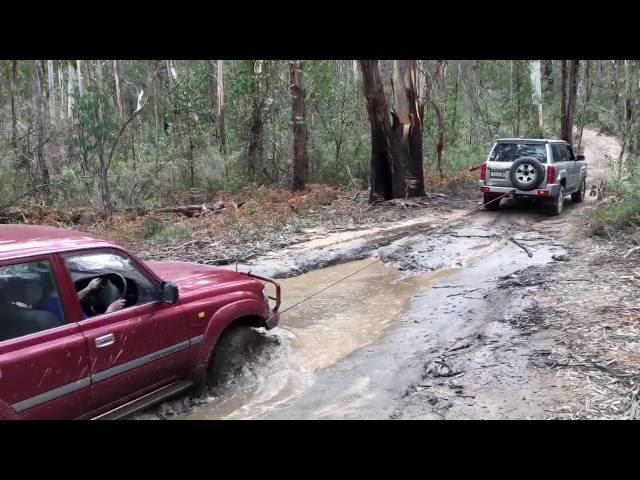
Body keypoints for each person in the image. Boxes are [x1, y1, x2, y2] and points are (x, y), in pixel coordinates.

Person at [37, 277, 125, 322]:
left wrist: (89, 288)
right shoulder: (63, 310)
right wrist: (111, 310)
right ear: (61, 285)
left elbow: (69, 301)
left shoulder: (44, 301)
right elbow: (91, 327)